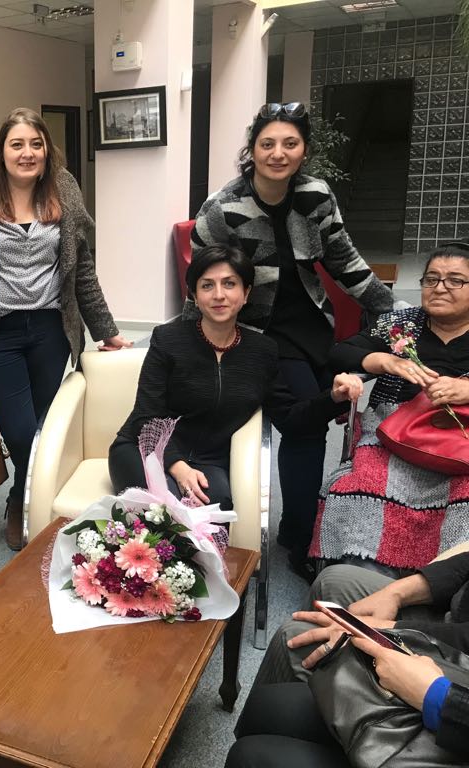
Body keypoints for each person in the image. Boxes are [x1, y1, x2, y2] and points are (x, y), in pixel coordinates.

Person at [191, 101, 394, 578]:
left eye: (290, 143)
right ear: (253, 149)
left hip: (314, 324)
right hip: (257, 333)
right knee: (306, 424)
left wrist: (395, 310)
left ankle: (329, 522)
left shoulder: (315, 195)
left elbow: (344, 260)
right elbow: (200, 279)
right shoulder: (224, 206)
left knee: (362, 386)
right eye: (267, 144)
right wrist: (190, 343)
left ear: (304, 150)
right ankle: (301, 538)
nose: (278, 153)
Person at [0, 106, 131, 550]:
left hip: (51, 329)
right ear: (1, 151)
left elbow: (82, 271)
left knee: (48, 428)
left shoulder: (64, 190)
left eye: (36, 144)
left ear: (47, 150)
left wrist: (106, 331)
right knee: (22, 432)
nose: (27, 153)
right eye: (17, 145)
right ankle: (31, 501)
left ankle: (23, 499)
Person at [109, 244, 363, 506]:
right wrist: (178, 466)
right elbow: (146, 414)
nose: (219, 295)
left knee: (218, 510)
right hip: (146, 449)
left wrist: (333, 397)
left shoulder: (262, 351)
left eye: (229, 284)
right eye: (207, 285)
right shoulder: (168, 339)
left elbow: (289, 418)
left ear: (246, 293)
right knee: (162, 509)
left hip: (209, 461)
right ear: (195, 295)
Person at [314, 242, 469, 574]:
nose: (440, 287)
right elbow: (340, 353)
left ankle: (444, 581)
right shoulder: (402, 324)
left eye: (455, 280)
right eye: (431, 279)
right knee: (361, 485)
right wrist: (386, 361)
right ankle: (362, 573)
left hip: (462, 443)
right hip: (393, 434)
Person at [226, 556, 469, 766]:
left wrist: (437, 697)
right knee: (265, 706)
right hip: (455, 661)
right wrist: (396, 593)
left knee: (249, 756)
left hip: (451, 708)